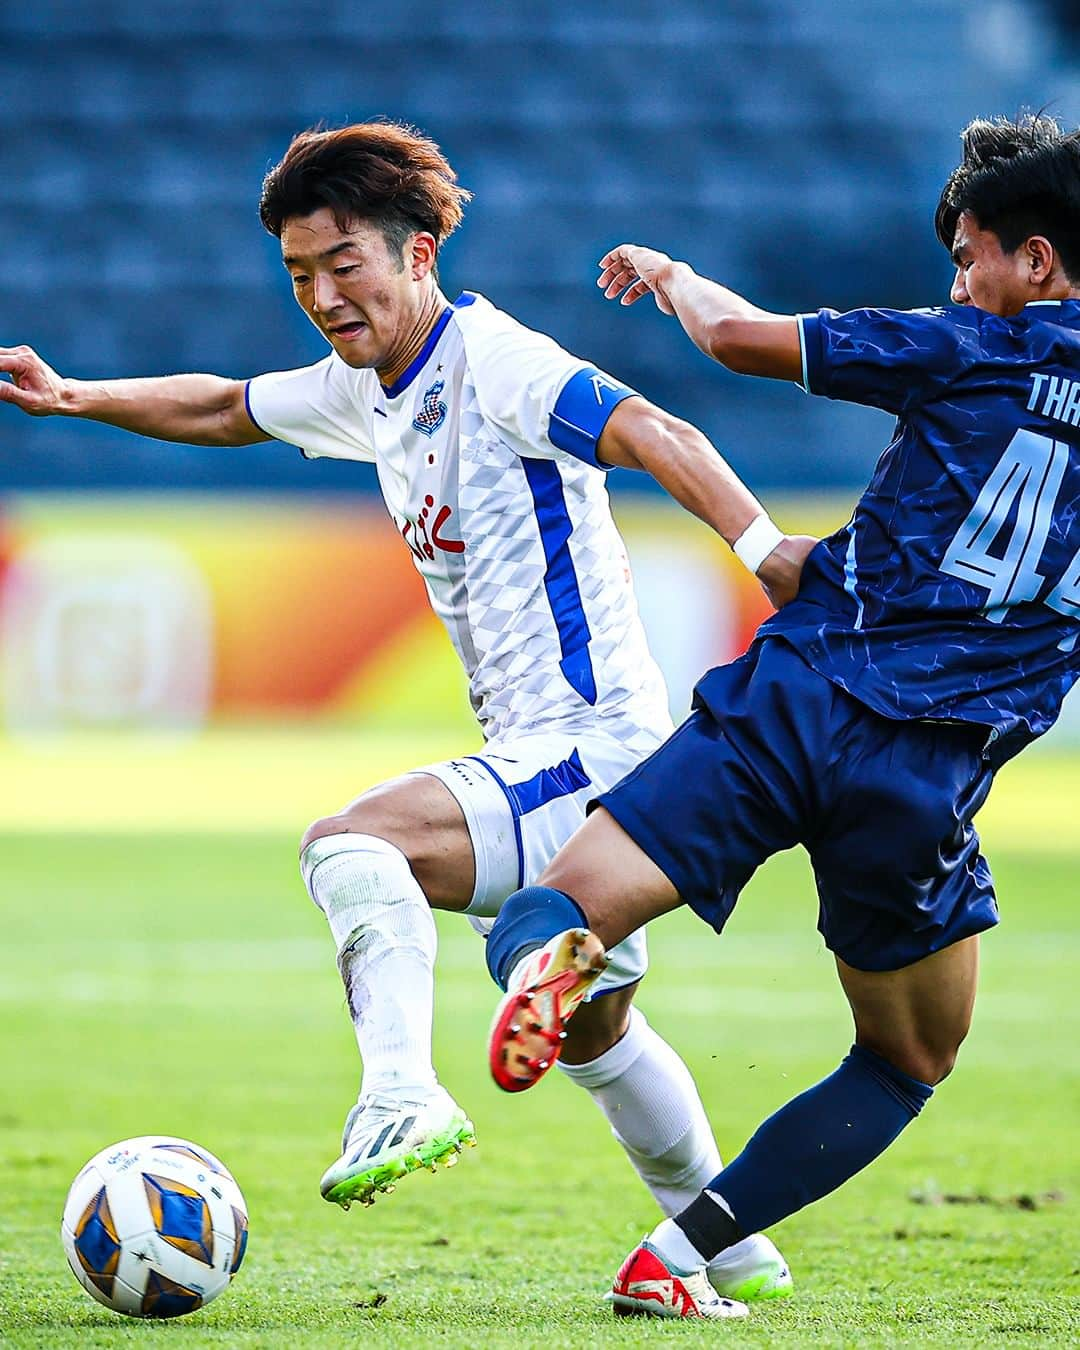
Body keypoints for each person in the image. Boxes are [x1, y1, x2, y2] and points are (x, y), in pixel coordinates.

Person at [0, 122, 808, 1303]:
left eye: (344, 266)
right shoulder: (370, 387)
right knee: (595, 1033)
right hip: (558, 753)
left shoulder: (497, 360)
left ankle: (400, 1093)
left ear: (418, 251)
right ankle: (733, 1249)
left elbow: (652, 429)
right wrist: (75, 396)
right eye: (300, 277)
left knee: (354, 841)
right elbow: (227, 405)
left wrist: (765, 547)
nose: (324, 297)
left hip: (594, 746)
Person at [484, 111, 1080, 1320]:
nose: (957, 282)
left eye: (970, 257)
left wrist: (673, 276)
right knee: (905, 1062)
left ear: (1039, 262)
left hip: (794, 697)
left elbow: (736, 339)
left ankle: (545, 962)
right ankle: (681, 1255)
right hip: (922, 780)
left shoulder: (967, 344)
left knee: (564, 900)